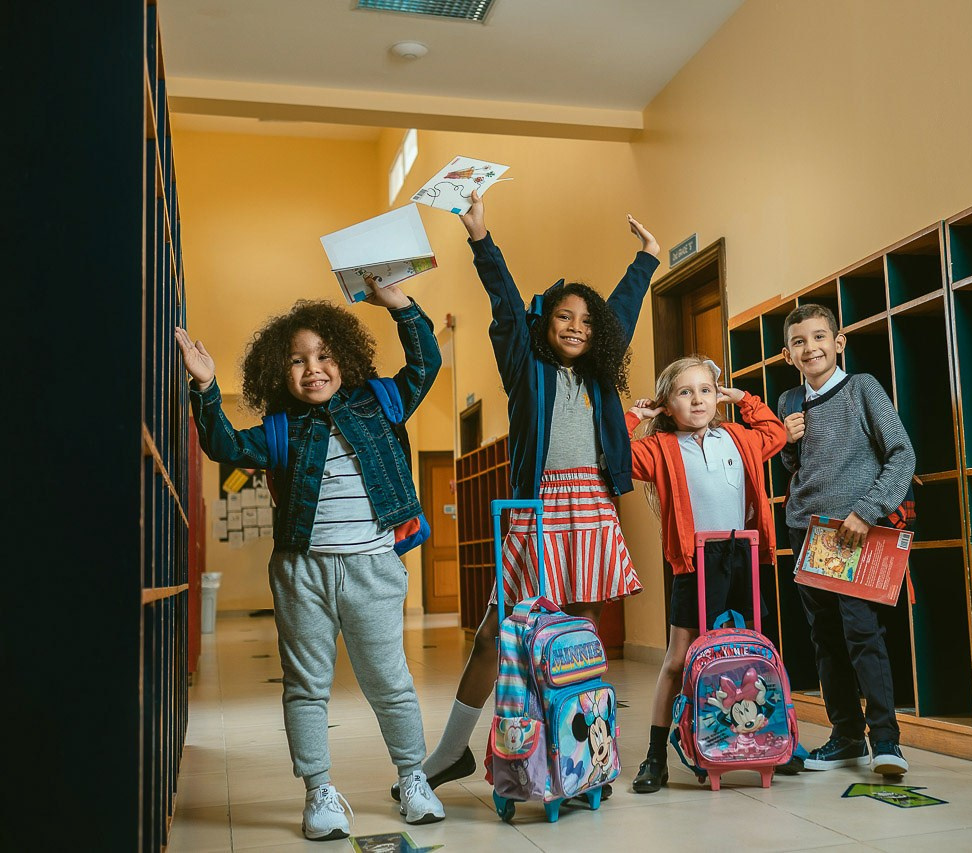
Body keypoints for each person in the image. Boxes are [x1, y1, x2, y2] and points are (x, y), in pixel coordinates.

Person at [175, 283, 445, 841]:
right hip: (303, 572)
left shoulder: (380, 401)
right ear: (280, 372)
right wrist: (205, 387)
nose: (313, 369)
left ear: (344, 359)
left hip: (372, 566)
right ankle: (319, 791)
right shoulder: (280, 427)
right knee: (305, 684)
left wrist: (401, 306)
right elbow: (225, 446)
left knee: (390, 680)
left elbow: (425, 363)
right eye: (298, 361)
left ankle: (414, 778)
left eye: (324, 356)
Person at [415, 189, 660, 799]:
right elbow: (502, 304)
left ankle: (576, 755)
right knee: (498, 633)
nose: (576, 328)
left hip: (594, 509)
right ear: (544, 325)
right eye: (563, 318)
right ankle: (450, 754)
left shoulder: (601, 374)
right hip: (538, 511)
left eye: (584, 321)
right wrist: (480, 239)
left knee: (579, 636)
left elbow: (621, 313)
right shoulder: (527, 369)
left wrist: (647, 260)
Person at [624, 356, 792, 792]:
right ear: (667, 404)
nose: (697, 399)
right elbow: (617, 455)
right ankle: (655, 756)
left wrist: (743, 398)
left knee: (754, 652)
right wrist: (636, 417)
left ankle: (770, 738)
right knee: (678, 659)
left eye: (705, 389)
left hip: (744, 553)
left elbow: (774, 433)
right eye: (684, 392)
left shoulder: (737, 435)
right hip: (697, 560)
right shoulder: (660, 448)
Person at [777, 303, 916, 776]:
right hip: (806, 531)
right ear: (787, 353)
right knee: (824, 637)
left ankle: (887, 741)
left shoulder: (863, 388)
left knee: (862, 632)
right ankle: (846, 737)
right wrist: (788, 441)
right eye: (799, 341)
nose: (810, 347)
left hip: (853, 532)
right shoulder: (788, 402)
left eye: (819, 337)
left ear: (839, 342)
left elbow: (902, 455)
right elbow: (794, 469)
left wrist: (867, 511)